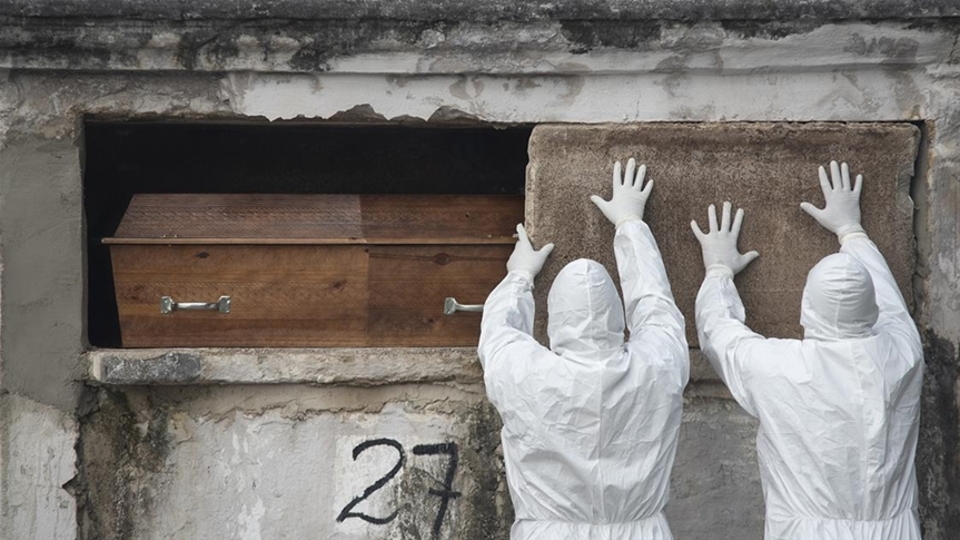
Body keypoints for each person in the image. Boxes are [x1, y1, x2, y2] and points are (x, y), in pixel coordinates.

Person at [690, 161, 924, 539]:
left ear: (806, 308)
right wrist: (851, 230)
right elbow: (891, 303)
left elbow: (720, 334)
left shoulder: (779, 367)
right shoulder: (903, 355)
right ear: (872, 309)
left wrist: (718, 270)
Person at [478, 158, 689, 539]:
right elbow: (656, 306)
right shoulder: (657, 366)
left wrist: (520, 276)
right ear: (617, 316)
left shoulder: (525, 373)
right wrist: (630, 224)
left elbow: (497, 331)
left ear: (556, 317)